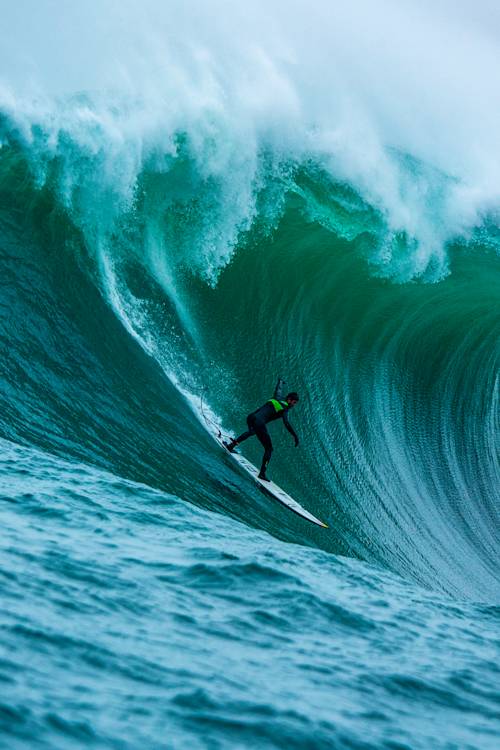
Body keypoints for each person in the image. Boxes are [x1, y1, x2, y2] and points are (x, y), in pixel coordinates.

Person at [224, 378, 299, 481]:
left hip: (251, 417)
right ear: (289, 400)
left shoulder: (277, 397)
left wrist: (280, 381)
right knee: (269, 449)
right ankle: (262, 474)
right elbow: (286, 423)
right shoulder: (285, 409)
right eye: (293, 402)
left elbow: (278, 389)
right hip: (259, 422)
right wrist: (295, 435)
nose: (293, 405)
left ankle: (231, 446)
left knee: (251, 432)